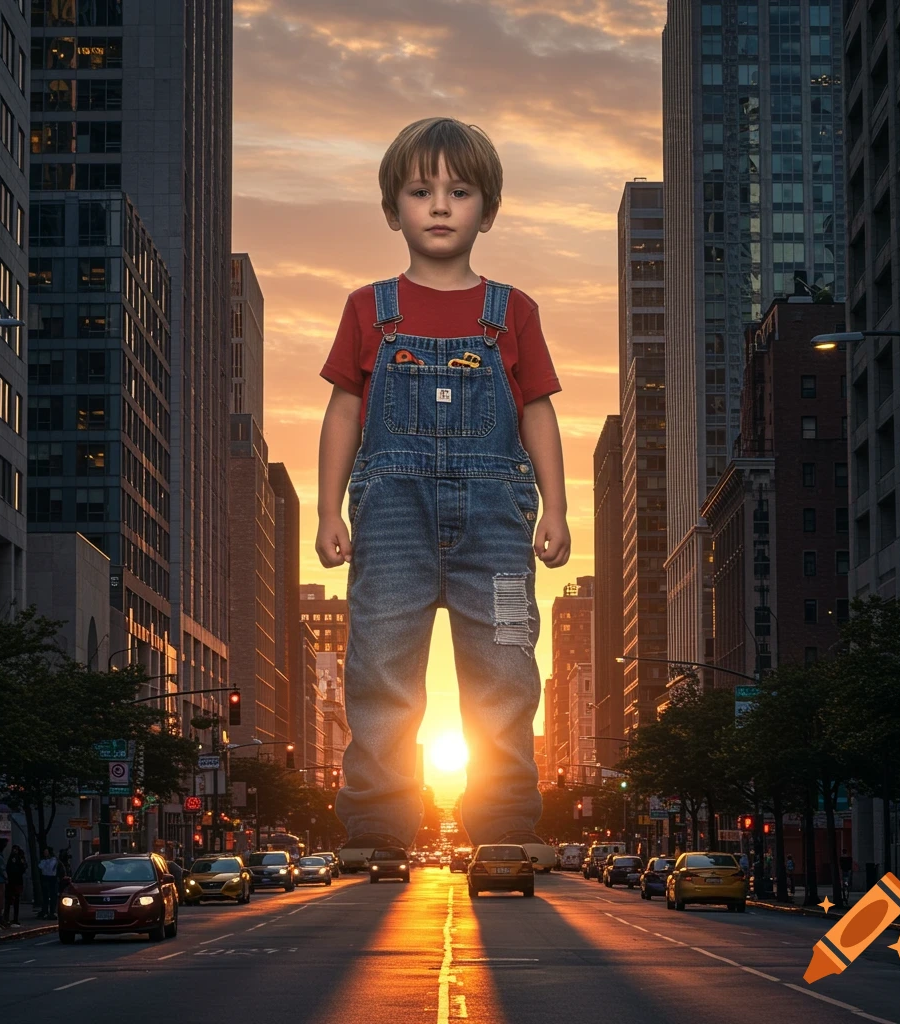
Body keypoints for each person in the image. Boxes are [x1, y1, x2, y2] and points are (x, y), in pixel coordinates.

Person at [317, 117, 569, 867]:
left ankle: (506, 823)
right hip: (390, 516)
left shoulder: (512, 310)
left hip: (496, 520)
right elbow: (344, 411)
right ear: (391, 207)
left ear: (487, 211)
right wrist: (327, 509)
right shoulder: (368, 307)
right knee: (380, 669)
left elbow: (536, 410)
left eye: (459, 192)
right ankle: (378, 825)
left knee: (504, 670)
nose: (438, 206)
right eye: (420, 191)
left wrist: (557, 508)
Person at [4, 845, 28, 925]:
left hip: (14, 881)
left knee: (11, 900)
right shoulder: (18, 858)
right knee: (12, 901)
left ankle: (9, 918)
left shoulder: (15, 858)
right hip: (16, 881)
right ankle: (11, 918)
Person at [38, 846, 58, 919]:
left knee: (53, 895)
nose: (45, 854)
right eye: (44, 852)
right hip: (45, 877)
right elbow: (40, 866)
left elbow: (50, 867)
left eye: (46, 852)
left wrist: (46, 864)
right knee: (45, 895)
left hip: (52, 878)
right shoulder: (43, 860)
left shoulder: (53, 860)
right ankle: (45, 911)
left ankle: (52, 911)